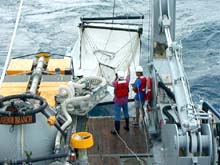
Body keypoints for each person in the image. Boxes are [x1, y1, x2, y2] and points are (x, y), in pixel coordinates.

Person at [111, 67, 130, 135]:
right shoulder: (127, 82)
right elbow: (128, 76)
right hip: (125, 101)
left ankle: (117, 130)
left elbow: (112, 83)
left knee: (117, 115)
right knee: (126, 113)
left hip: (118, 102)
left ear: (118, 76)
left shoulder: (116, 83)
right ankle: (127, 126)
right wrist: (129, 68)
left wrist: (116, 77)